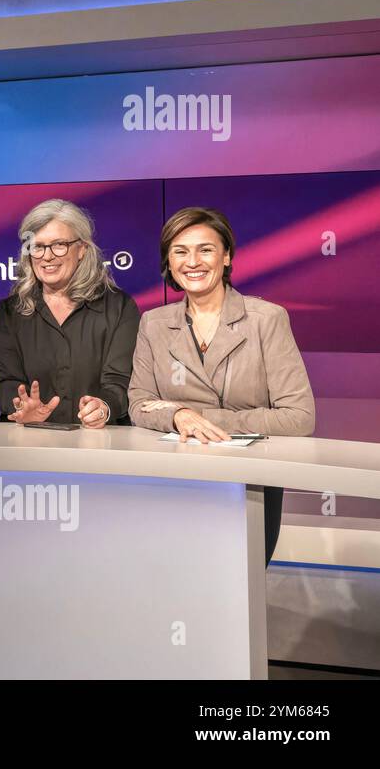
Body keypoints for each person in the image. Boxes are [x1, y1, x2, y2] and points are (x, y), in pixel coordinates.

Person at [129, 206, 314, 564]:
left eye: (206, 249)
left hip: (247, 483)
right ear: (169, 260)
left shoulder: (266, 320)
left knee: (240, 591)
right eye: (180, 251)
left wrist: (198, 418)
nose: (192, 261)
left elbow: (299, 417)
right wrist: (176, 414)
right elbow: (139, 402)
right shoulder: (153, 323)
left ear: (226, 256)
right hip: (175, 480)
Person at [0, 199, 140, 427]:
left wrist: (103, 407)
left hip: (98, 444)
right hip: (29, 442)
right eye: (38, 246)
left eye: (59, 244)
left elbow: (119, 382)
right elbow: (7, 381)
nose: (47, 256)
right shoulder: (9, 313)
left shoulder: (119, 307)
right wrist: (21, 407)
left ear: (82, 249)